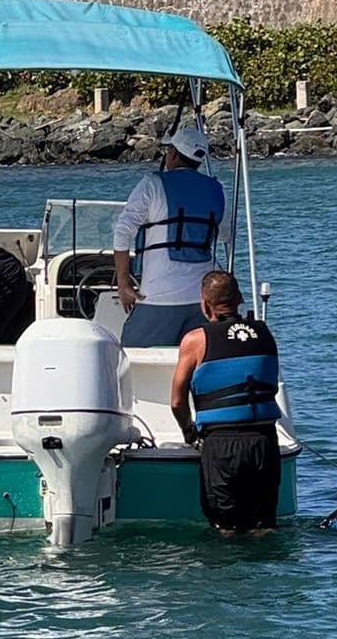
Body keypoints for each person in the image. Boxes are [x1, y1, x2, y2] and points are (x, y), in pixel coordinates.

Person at [170, 270, 282, 532]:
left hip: (221, 444)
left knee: (226, 529)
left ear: (204, 304)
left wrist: (189, 433)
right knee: (263, 526)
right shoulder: (265, 333)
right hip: (264, 441)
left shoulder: (195, 340)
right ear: (240, 298)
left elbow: (177, 401)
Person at [111, 123, 230, 347]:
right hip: (201, 301)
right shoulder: (217, 189)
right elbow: (225, 235)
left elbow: (122, 231)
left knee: (128, 354)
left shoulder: (152, 183)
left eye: (168, 150)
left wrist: (123, 281)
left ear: (173, 154)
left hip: (158, 297)